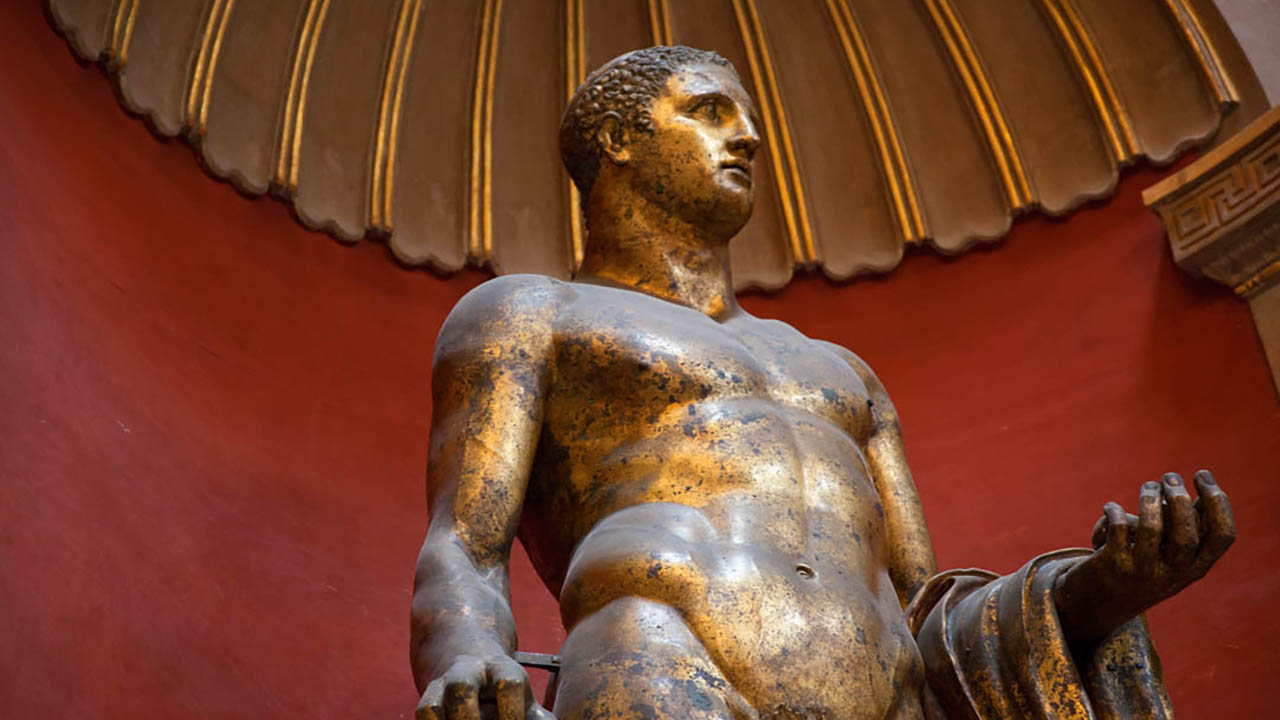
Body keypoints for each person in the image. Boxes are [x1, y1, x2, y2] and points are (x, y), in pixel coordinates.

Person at [409, 46, 1235, 720]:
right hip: (656, 662)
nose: (747, 137)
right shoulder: (531, 313)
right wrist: (467, 656)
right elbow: (465, 542)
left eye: (748, 119)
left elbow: (926, 613)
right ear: (619, 139)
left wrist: (1098, 593)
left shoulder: (842, 371)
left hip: (888, 699)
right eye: (709, 111)